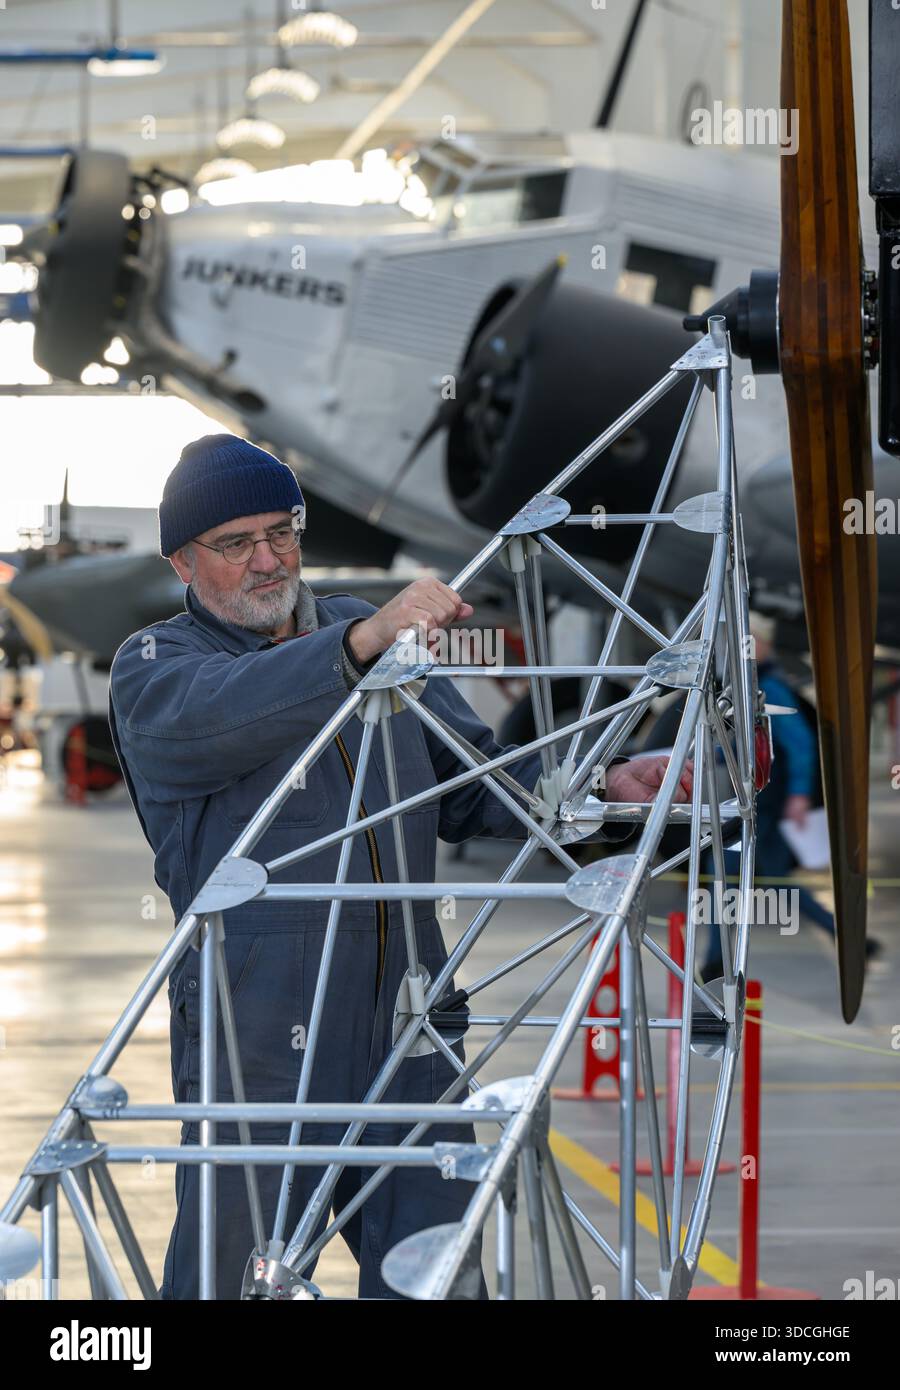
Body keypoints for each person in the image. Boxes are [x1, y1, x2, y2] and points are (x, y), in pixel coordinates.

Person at [108, 433, 693, 1300]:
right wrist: (360, 646)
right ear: (183, 563)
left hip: (411, 1020)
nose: (269, 560)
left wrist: (603, 783)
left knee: (439, 1272)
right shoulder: (158, 668)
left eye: (283, 531)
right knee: (232, 1278)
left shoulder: (362, 634)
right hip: (258, 1036)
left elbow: (479, 784)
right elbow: (218, 721)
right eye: (236, 544)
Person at [698, 612, 882, 983]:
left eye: (748, 639)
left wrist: (798, 794)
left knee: (731, 879)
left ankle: (717, 960)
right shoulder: (744, 685)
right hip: (752, 799)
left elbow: (799, 746)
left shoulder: (770, 688)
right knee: (743, 879)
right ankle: (845, 936)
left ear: (762, 644)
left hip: (761, 802)